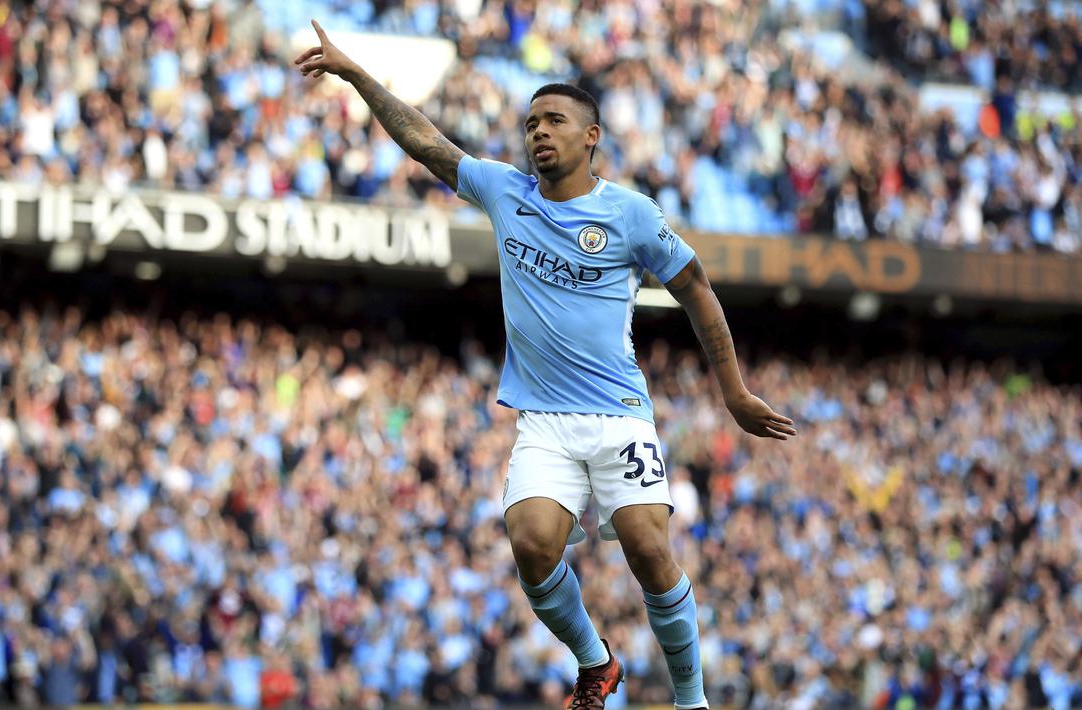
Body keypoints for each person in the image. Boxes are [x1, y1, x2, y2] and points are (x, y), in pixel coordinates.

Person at [294, 21, 797, 710]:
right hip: (545, 421)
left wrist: (733, 392)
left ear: (591, 136)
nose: (538, 132)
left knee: (649, 550)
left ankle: (691, 700)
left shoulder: (629, 214)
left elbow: (696, 289)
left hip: (618, 415)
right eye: (531, 123)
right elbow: (424, 141)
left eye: (554, 120)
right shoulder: (505, 192)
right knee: (531, 545)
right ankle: (596, 663)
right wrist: (356, 75)